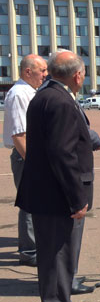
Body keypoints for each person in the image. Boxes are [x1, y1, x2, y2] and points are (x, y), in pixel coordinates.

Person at [15, 51, 94, 302]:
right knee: (55, 256)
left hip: (48, 191)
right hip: (56, 194)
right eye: (83, 73)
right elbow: (62, 154)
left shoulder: (46, 95)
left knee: (61, 254)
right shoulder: (59, 101)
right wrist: (77, 197)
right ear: (77, 75)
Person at [3, 54, 48, 267]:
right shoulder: (19, 94)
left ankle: (35, 246)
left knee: (37, 201)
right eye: (42, 70)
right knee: (30, 203)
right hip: (26, 156)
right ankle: (29, 252)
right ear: (28, 71)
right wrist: (33, 164)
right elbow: (19, 135)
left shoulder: (30, 91)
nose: (45, 75)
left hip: (32, 155)